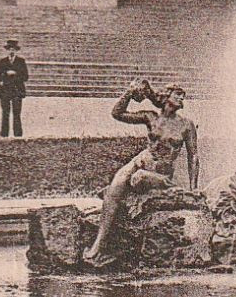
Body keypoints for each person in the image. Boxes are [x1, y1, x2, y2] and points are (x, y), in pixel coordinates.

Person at [84, 80, 200, 266]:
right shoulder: (150, 117)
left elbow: (193, 157)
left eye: (183, 95)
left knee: (138, 179)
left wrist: (194, 188)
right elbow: (117, 114)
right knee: (116, 185)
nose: (182, 98)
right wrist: (129, 93)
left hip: (161, 171)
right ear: (166, 96)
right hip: (143, 159)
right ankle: (98, 244)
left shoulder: (186, 125)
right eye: (178, 94)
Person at [0, 39, 29, 137]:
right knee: (5, 112)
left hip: (17, 90)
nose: (12, 51)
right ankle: (4, 133)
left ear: (16, 50)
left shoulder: (21, 61)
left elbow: (25, 76)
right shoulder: (3, 61)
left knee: (16, 112)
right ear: (7, 50)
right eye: (10, 49)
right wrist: (0, 81)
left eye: (13, 49)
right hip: (5, 90)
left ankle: (17, 134)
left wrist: (15, 73)